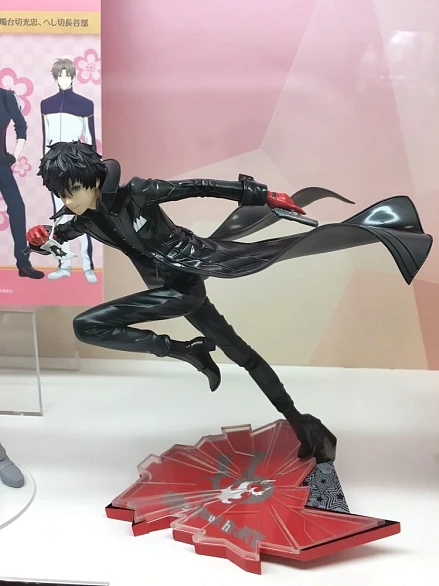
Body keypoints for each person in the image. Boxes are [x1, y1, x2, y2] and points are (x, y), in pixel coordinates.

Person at [25, 141, 433, 464]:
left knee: (86, 325)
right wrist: (41, 238)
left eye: (72, 190)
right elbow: (58, 235)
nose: (68, 200)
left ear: (94, 180)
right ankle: (299, 422)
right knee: (242, 354)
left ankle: (187, 352)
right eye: (61, 194)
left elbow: (198, 187)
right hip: (169, 290)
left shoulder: (139, 192)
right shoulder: (88, 218)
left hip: (186, 282)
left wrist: (263, 194)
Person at [40, 58, 97, 283]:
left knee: (83, 214)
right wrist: (45, 168)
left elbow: (90, 139)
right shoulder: (46, 104)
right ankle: (63, 265)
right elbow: (46, 138)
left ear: (73, 76)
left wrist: (92, 169)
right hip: (55, 167)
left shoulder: (85, 104)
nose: (64, 79)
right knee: (59, 217)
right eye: (60, 75)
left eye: (67, 75)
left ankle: (88, 266)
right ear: (56, 77)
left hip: (77, 166)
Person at [0, 87, 44, 278]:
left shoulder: (6, 97)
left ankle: (23, 263)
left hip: (1, 165)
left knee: (18, 208)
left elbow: (21, 126)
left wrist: (14, 156)